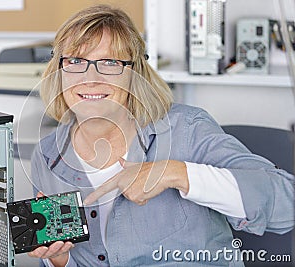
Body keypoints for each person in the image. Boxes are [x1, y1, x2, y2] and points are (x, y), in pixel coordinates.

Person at [26, 4, 294, 267]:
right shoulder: (49, 155)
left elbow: (285, 203)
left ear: (135, 74)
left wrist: (174, 173)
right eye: (76, 61)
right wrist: (59, 260)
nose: (91, 77)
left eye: (109, 62)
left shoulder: (187, 130)